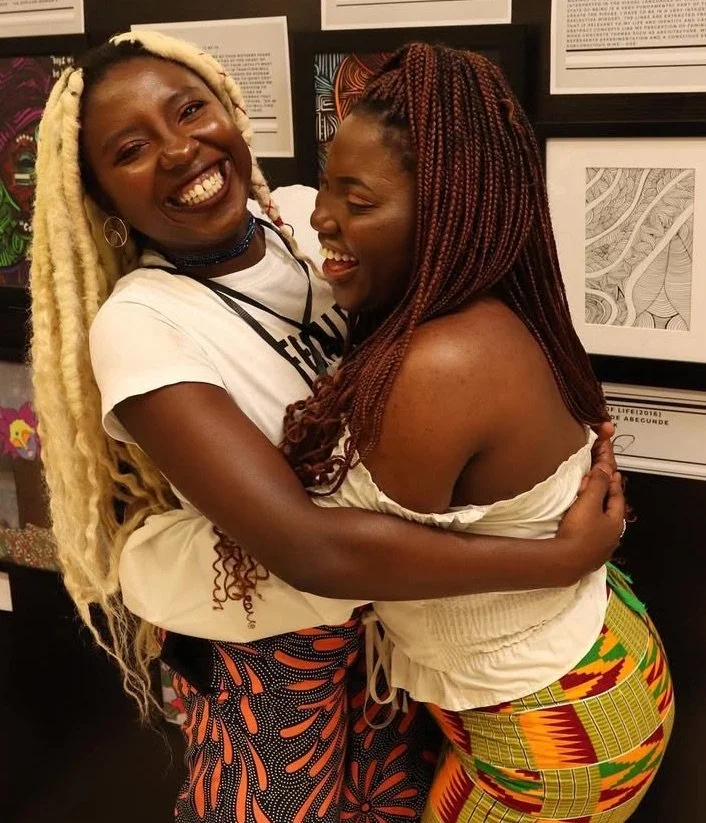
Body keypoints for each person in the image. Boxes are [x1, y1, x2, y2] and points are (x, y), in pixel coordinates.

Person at [29, 31, 625, 823]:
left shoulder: (310, 220)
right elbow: (308, 547)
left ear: (230, 113)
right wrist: (551, 558)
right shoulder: (142, 325)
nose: (178, 150)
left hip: (395, 639)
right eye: (132, 148)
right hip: (273, 659)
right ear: (101, 196)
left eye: (190, 110)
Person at [274, 44, 672, 822]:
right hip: (577, 679)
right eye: (326, 185)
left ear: (446, 207)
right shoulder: (475, 312)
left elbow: (342, 556)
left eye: (356, 198)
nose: (322, 216)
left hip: (554, 729)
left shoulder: (439, 363)